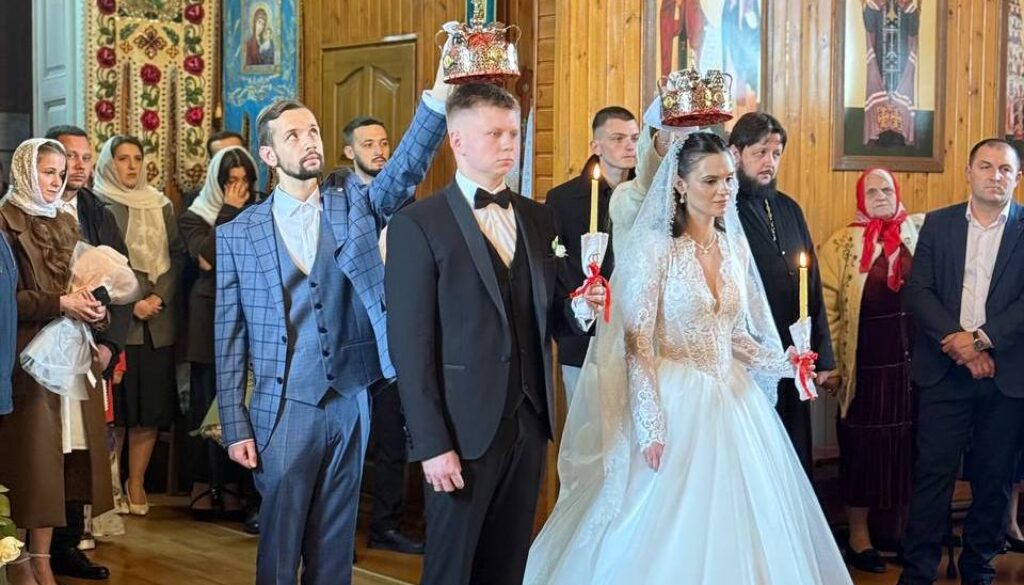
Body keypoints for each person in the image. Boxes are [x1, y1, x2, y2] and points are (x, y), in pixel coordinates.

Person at [523, 132, 850, 585]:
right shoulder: (655, 248)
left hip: (733, 399)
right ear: (679, 185)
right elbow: (637, 340)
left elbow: (736, 336)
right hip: (673, 397)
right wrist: (650, 423)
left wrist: (785, 363)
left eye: (728, 180)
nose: (724, 190)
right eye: (710, 181)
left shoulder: (734, 247)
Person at [215, 64, 450, 584]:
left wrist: (438, 95)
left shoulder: (356, 205)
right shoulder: (238, 234)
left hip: (350, 398)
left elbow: (404, 170)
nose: (309, 142)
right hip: (283, 406)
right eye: (293, 136)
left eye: (314, 131)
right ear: (269, 156)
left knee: (335, 542)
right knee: (280, 543)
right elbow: (228, 338)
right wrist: (234, 425)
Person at [385, 82, 604, 585]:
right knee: (451, 570)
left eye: (513, 133)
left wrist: (581, 308)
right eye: (494, 134)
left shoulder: (538, 217)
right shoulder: (417, 225)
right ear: (458, 141)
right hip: (460, 431)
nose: (508, 144)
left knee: (508, 566)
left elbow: (552, 315)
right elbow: (410, 349)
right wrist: (431, 443)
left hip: (529, 423)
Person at [898, 138, 1024, 585]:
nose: (995, 176)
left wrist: (982, 341)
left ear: (1017, 178)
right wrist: (961, 344)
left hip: (1006, 376)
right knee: (932, 477)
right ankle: (917, 573)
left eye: (1005, 169)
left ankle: (979, 572)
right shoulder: (938, 223)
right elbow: (918, 292)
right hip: (944, 370)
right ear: (968, 173)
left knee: (993, 481)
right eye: (985, 166)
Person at [0, 139, 111, 585]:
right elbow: (8, 301)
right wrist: (59, 303)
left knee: (60, 462)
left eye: (61, 174)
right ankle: (16, 559)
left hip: (69, 355)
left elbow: (79, 283)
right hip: (26, 357)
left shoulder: (66, 221)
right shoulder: (5, 221)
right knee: (30, 460)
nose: (57, 181)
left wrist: (94, 308)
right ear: (26, 171)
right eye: (48, 172)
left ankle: (43, 556)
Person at [819, 167, 921, 573]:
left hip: (911, 368)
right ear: (861, 198)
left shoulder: (917, 233)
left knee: (907, 450)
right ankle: (859, 537)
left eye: (887, 189)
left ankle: (896, 531)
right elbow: (827, 309)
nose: (880, 196)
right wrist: (831, 364)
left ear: (898, 193)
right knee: (862, 452)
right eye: (872, 191)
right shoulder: (842, 244)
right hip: (863, 368)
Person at [45, 124, 132, 580]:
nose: (78, 166)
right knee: (44, 446)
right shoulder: (25, 209)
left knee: (80, 447)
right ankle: (32, 547)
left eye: (85, 157)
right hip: (39, 345)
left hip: (86, 346)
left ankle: (68, 543)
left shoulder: (100, 212)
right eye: (69, 157)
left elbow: (121, 282)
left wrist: (109, 345)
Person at [729, 112, 835, 476]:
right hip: (750, 353)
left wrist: (823, 353)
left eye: (776, 154)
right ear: (736, 153)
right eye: (760, 153)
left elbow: (812, 285)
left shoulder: (789, 208)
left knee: (795, 444)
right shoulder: (724, 210)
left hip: (794, 351)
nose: (769, 162)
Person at [93, 135, 187, 517]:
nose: (131, 166)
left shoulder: (160, 204)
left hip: (158, 324)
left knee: (150, 409)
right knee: (118, 411)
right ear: (108, 163)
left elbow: (177, 256)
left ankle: (137, 482)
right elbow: (102, 261)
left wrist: (159, 297)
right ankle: (111, 485)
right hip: (120, 323)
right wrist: (133, 302)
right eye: (122, 158)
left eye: (137, 158)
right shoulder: (99, 202)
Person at [179, 146, 259, 521]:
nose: (239, 189)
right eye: (230, 181)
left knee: (243, 402)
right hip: (208, 316)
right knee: (207, 399)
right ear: (217, 182)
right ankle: (204, 485)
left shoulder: (261, 210)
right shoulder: (195, 216)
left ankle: (237, 488)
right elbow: (207, 259)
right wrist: (227, 211)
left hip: (249, 314)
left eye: (245, 181)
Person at [545, 106, 638, 404]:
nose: (629, 146)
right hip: (584, 335)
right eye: (618, 138)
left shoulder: (647, 195)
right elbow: (556, 266)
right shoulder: (563, 199)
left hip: (635, 331)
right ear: (596, 146)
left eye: (635, 138)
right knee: (586, 423)